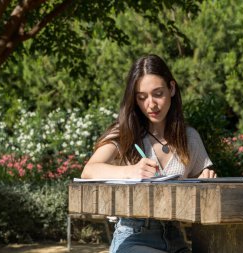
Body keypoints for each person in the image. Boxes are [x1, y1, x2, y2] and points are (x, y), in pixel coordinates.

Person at [81, 54, 216, 253]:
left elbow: (202, 185)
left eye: (158, 94)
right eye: (142, 97)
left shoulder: (189, 137)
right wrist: (132, 171)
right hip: (134, 237)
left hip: (176, 239)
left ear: (171, 89)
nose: (150, 104)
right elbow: (89, 170)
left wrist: (207, 178)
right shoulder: (124, 133)